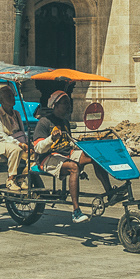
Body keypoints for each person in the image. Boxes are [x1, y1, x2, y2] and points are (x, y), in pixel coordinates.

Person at [32, 90, 120, 224]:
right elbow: (38, 148)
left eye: (68, 103)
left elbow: (69, 143)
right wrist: (51, 138)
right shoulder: (44, 122)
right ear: (55, 105)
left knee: (95, 156)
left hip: (67, 154)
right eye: (65, 103)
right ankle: (76, 211)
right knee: (73, 168)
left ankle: (110, 193)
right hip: (47, 158)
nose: (68, 106)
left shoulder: (65, 122)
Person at [0, 83, 31, 192]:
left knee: (33, 153)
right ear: (1, 100)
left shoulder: (16, 114)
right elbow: (2, 137)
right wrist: (19, 144)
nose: (12, 98)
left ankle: (21, 177)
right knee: (15, 150)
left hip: (15, 141)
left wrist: (27, 142)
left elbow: (21, 131)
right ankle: (11, 179)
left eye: (12, 95)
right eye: (9, 96)